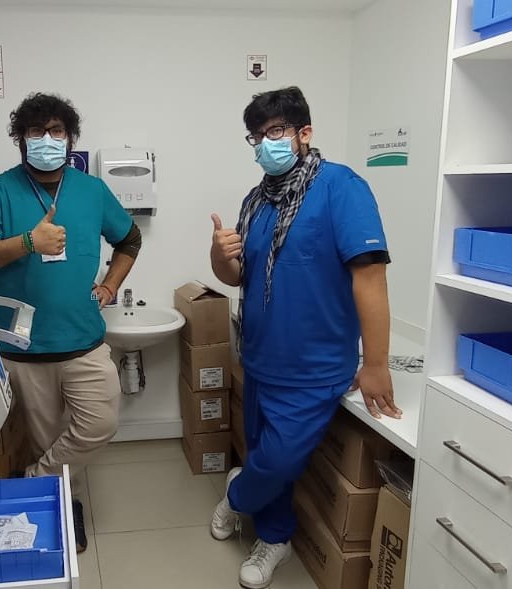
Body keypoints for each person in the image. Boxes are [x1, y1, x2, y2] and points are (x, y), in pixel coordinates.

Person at [207, 86, 399, 588]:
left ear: (304, 133)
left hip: (314, 368)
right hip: (259, 357)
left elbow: (370, 278)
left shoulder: (341, 188)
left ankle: (236, 496)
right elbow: (237, 277)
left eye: (275, 131)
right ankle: (275, 538)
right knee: (267, 459)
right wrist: (218, 256)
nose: (264, 143)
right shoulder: (257, 200)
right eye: (256, 136)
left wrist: (376, 363)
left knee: (276, 462)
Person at [0, 92, 142, 554]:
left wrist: (109, 286)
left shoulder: (92, 190)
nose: (47, 139)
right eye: (36, 131)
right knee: (46, 438)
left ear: (70, 139)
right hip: (25, 348)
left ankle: (34, 483)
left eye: (56, 131)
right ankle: (65, 505)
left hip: (84, 341)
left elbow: (130, 240)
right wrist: (28, 242)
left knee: (100, 423)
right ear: (21, 139)